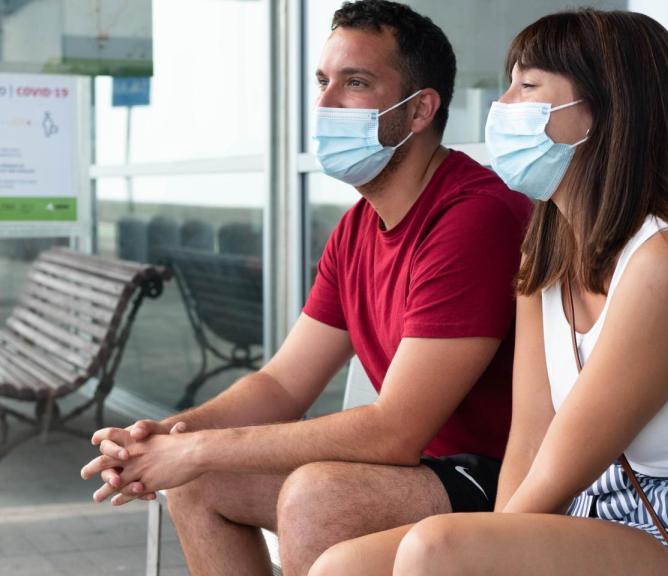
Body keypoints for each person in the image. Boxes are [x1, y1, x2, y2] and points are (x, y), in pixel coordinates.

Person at [309, 8, 668, 576]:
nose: (501, 106)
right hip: (609, 512)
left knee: (439, 550)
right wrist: (489, 536)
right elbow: (530, 436)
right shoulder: (547, 251)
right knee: (344, 566)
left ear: (604, 112)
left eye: (527, 86)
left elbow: (562, 467)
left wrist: (483, 546)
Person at [78, 2, 531, 575]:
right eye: (322, 82)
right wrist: (165, 436)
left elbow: (395, 431)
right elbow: (282, 383)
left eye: (356, 83)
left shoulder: (473, 217)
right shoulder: (357, 227)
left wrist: (195, 448)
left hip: (498, 477)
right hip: (419, 471)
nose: (324, 105)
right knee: (202, 482)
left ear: (419, 109)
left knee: (317, 497)